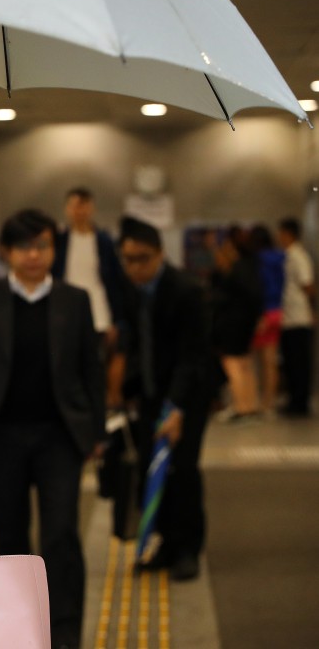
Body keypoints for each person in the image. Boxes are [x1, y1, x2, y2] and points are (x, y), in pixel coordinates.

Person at [0, 208, 104, 649]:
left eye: (42, 246)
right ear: (6, 252)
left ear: (53, 250)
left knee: (60, 535)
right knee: (8, 538)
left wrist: (95, 432)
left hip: (59, 436)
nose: (34, 255)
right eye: (24, 247)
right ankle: (15, 631)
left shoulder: (74, 301)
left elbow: (90, 370)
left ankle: (64, 635)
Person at [116, 216, 216, 581]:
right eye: (127, 259)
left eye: (141, 258)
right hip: (152, 394)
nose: (134, 267)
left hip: (187, 396)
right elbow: (138, 344)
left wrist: (177, 409)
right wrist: (128, 392)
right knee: (151, 468)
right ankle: (166, 543)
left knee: (182, 470)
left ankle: (188, 549)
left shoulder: (186, 289)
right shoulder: (133, 289)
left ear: (159, 254)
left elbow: (193, 357)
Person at [52, 186, 126, 408]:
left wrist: (115, 318)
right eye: (75, 206)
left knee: (94, 361)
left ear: (91, 209)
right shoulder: (60, 239)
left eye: (83, 206)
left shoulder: (104, 241)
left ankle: (97, 403)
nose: (79, 211)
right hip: (64, 309)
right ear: (67, 209)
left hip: (98, 311)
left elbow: (114, 281)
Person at [209, 225, 264, 420]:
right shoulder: (251, 265)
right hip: (246, 322)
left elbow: (224, 294)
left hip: (233, 323)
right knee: (245, 363)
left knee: (232, 363)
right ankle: (250, 405)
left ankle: (241, 407)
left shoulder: (236, 270)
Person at [277, 217, 315, 417]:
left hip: (299, 317)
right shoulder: (288, 255)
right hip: (289, 317)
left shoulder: (299, 256)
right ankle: (294, 400)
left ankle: (300, 403)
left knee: (300, 364)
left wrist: (312, 311)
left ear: (288, 234)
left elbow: (307, 285)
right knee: (291, 363)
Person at [249, 224, 285, 415]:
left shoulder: (257, 260)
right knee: (271, 362)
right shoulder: (280, 257)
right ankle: (269, 402)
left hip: (262, 313)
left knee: (255, 362)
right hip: (278, 311)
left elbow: (257, 289)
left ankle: (255, 400)